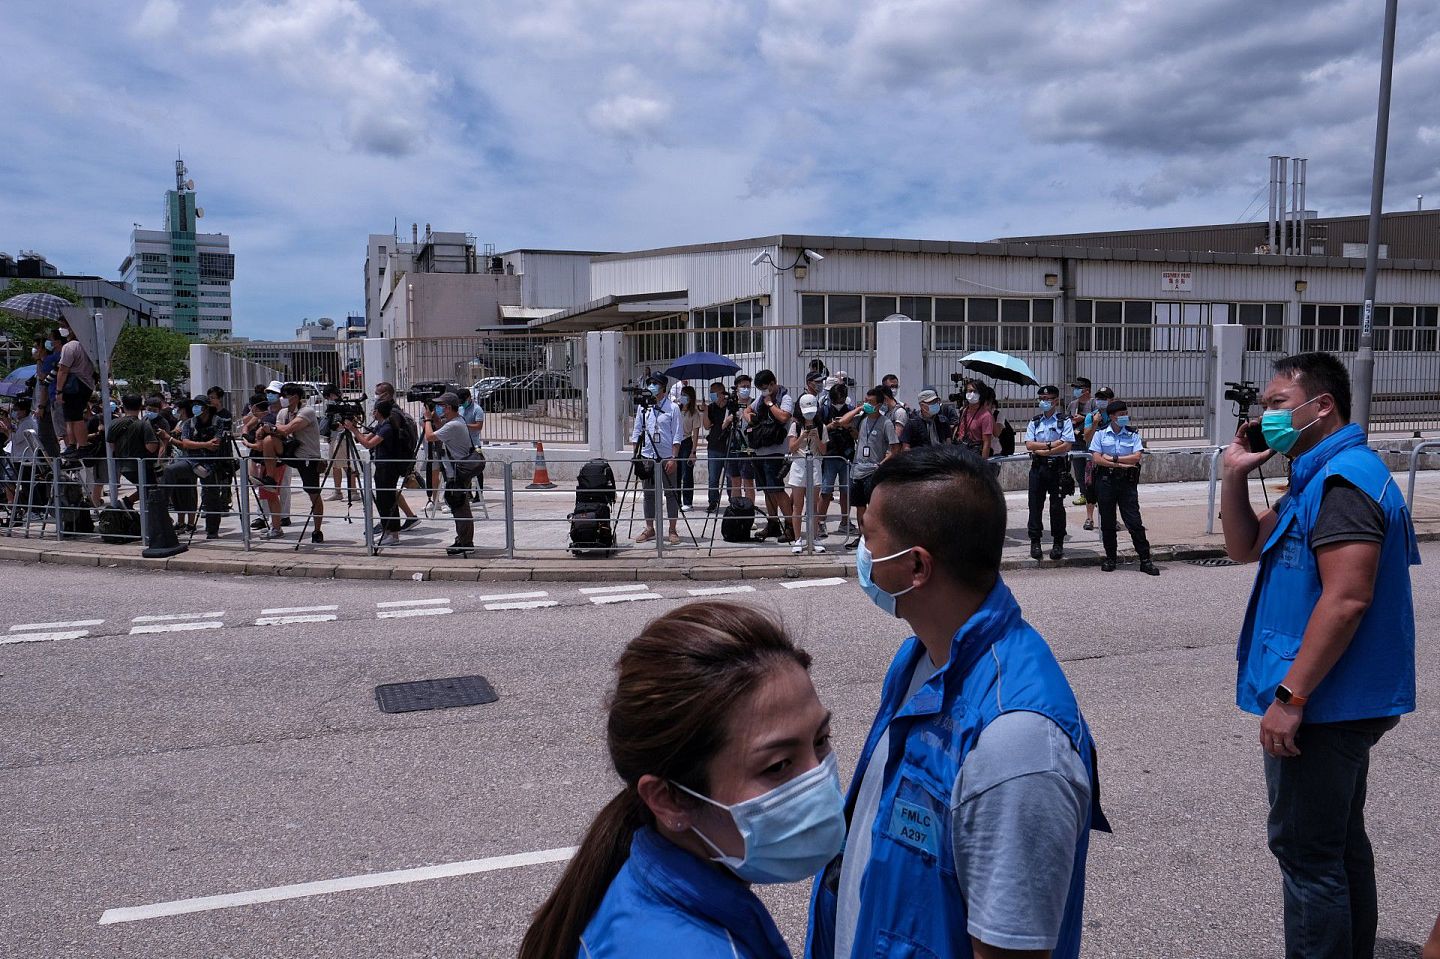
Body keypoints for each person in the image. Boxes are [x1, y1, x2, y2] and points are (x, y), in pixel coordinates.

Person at [807, 444, 1105, 959]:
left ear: (916, 566)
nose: (861, 553)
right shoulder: (920, 658)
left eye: (868, 538)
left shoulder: (1018, 747)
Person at [1222, 351, 1419, 959]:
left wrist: (1291, 696)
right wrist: (1233, 474)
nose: (1266, 418)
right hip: (1338, 696)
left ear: (1322, 405)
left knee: (1307, 855)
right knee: (1338, 844)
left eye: (1278, 405)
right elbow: (1243, 545)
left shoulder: (1342, 483)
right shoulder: (1316, 475)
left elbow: (1347, 598)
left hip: (1326, 700)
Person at [519, 602, 841, 959]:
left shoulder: (640, 889)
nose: (819, 780)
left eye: (821, 740)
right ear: (669, 799)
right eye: (778, 765)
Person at [1087, 399, 1158, 575]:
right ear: (1112, 417)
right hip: (1106, 481)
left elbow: (1136, 457)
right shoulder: (1101, 434)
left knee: (1134, 522)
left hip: (1127, 482)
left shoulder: (1132, 434)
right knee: (1108, 523)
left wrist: (1113, 459)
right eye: (1120, 415)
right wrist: (1118, 465)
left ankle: (1145, 560)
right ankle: (1111, 558)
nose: (1124, 417)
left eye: (1125, 414)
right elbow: (1096, 458)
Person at [834, 387, 900, 551]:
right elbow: (841, 422)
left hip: (873, 470)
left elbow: (895, 449)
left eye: (870, 402)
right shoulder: (862, 419)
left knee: (874, 506)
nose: (867, 405)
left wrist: (881, 465)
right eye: (866, 401)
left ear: (879, 405)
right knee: (860, 505)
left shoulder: (885, 423)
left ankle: (876, 537)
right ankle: (862, 536)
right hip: (858, 469)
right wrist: (859, 408)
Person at [262, 383, 324, 543]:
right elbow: (278, 430)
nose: (281, 399)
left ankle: (317, 530)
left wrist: (273, 429)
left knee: (313, 495)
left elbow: (286, 429)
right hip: (289, 451)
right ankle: (270, 478)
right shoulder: (283, 412)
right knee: (268, 440)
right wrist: (269, 429)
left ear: (295, 397)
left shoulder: (307, 411)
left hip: (307, 457)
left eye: (284, 396)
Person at [161, 396, 230, 539]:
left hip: (211, 464)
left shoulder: (218, 422)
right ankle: (161, 507)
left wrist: (198, 445)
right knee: (170, 470)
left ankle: (212, 531)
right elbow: (186, 443)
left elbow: (215, 444)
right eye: (194, 405)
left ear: (206, 407)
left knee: (211, 497)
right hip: (191, 461)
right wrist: (205, 444)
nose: (195, 408)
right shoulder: (188, 423)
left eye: (198, 405)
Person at [423, 392, 483, 555]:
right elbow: (440, 428)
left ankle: (466, 543)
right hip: (456, 472)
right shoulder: (456, 421)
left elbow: (429, 437)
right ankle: (462, 539)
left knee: (460, 508)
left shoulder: (454, 425)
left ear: (448, 407)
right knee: (458, 506)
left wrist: (427, 419)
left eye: (441, 406)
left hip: (456, 474)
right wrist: (433, 418)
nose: (438, 409)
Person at [347, 399, 411, 547]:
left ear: (379, 412)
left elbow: (368, 444)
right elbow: (363, 439)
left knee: (388, 501)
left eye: (374, 410)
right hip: (382, 467)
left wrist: (353, 429)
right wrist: (355, 427)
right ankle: (387, 532)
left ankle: (394, 535)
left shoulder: (387, 427)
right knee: (382, 501)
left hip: (389, 468)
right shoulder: (381, 425)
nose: (373, 413)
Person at [629, 373, 682, 546]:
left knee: (671, 494)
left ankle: (672, 529)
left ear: (663, 388)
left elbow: (677, 435)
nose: (652, 386)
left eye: (655, 383)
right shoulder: (644, 407)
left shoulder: (673, 408)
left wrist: (674, 458)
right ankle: (649, 527)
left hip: (666, 457)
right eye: (650, 383)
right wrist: (635, 455)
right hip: (647, 456)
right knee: (649, 495)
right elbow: (637, 431)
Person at [1024, 384, 1074, 560]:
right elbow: (1029, 444)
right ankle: (1035, 542)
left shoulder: (1064, 420)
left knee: (1057, 507)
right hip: (1038, 468)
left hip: (1058, 468)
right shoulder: (1035, 421)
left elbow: (1067, 444)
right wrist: (1052, 445)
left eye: (1048, 399)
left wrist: (1045, 451)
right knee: (1035, 506)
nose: (1045, 402)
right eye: (1042, 399)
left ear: (1056, 401)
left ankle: (1058, 543)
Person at [743, 370, 794, 541]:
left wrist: (771, 404)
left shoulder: (784, 398)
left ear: (773, 383)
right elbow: (748, 409)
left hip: (776, 451)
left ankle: (790, 525)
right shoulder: (761, 399)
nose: (763, 392)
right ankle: (772, 523)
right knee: (767, 490)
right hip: (760, 450)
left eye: (765, 388)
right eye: (761, 389)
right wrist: (748, 416)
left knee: (778, 490)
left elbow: (784, 417)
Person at [373, 382, 421, 532]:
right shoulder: (394, 411)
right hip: (390, 460)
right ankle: (406, 517)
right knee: (389, 491)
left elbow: (385, 437)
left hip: (390, 461)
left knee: (386, 495)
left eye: (377, 393)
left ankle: (390, 526)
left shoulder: (392, 414)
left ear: (386, 395)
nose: (375, 396)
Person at [785, 392, 826, 555]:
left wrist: (816, 439)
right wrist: (803, 436)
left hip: (815, 464)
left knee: (813, 505)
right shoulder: (795, 425)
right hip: (799, 464)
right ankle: (797, 539)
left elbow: (824, 451)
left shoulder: (821, 426)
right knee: (798, 505)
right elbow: (791, 448)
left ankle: (814, 537)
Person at [817, 380, 856, 541]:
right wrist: (832, 426)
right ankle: (820, 522)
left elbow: (856, 434)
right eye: (836, 401)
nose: (839, 404)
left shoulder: (850, 411)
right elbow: (818, 431)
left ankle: (846, 522)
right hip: (831, 455)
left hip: (846, 455)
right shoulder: (824, 410)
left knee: (846, 490)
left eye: (842, 400)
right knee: (826, 491)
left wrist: (848, 426)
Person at [1078, 387, 1114, 532]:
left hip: (1110, 459)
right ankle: (1089, 518)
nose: (1101, 401)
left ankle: (1111, 518)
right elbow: (1087, 438)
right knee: (1090, 489)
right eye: (1099, 398)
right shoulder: (1090, 416)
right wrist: (1094, 423)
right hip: (1092, 459)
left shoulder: (1115, 417)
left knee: (1111, 491)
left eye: (1104, 399)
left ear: (1111, 400)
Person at [703, 380, 735, 514]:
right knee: (713, 477)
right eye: (710, 393)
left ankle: (732, 502)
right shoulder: (711, 408)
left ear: (722, 393)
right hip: (714, 446)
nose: (712, 395)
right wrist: (704, 411)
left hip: (729, 446)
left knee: (730, 478)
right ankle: (713, 501)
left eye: (714, 392)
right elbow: (706, 426)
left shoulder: (731, 406)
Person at [1067, 378, 1094, 505]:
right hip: (1076, 441)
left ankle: (1093, 494)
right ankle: (1084, 494)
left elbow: (1098, 420)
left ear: (1086, 390)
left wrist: (1083, 418)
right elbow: (1067, 421)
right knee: (1079, 470)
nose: (1075, 391)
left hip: (1090, 441)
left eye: (1078, 388)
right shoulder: (1072, 405)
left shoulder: (1094, 404)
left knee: (1091, 470)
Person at [676, 385, 703, 511]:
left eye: (686, 395)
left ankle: (687, 501)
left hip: (686, 442)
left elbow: (695, 434)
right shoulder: (676, 410)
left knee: (687, 474)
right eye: (682, 394)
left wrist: (693, 451)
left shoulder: (694, 413)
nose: (683, 397)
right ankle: (675, 500)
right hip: (675, 443)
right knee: (675, 473)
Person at [954, 380, 995, 460]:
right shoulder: (964, 410)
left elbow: (987, 442)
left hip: (974, 456)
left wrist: (982, 463)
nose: (972, 394)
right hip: (961, 453)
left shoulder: (986, 416)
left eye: (975, 391)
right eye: (969, 391)